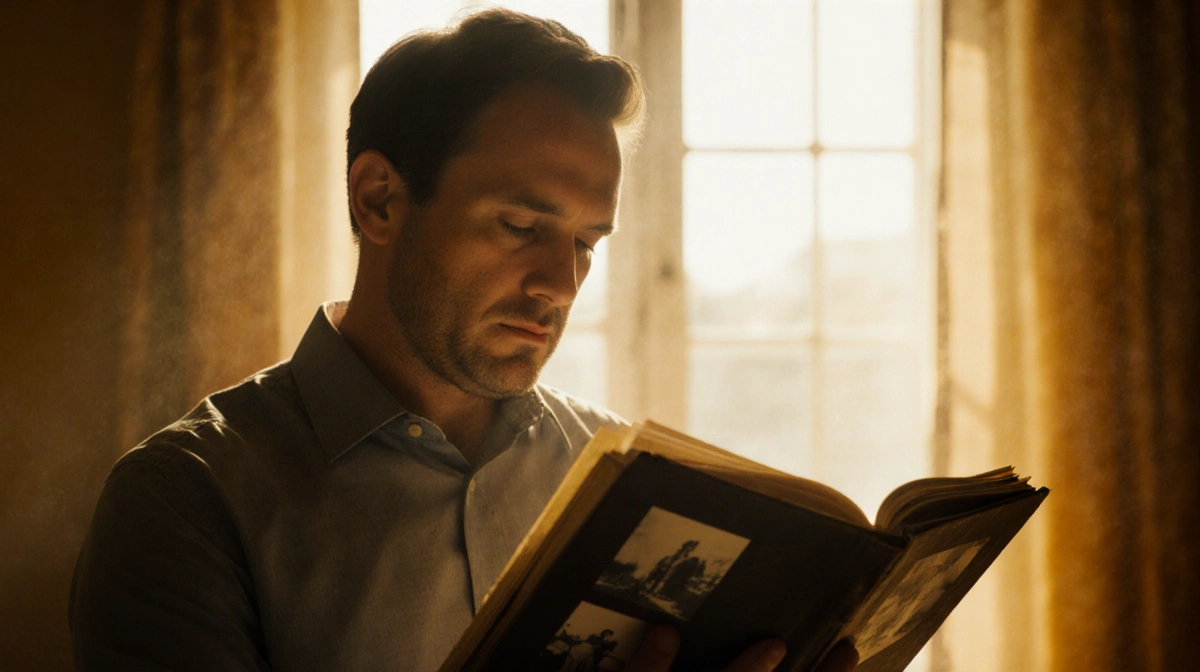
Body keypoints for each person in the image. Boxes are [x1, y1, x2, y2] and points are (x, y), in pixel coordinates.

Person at [69, 8, 857, 672]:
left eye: (587, 243)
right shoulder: (185, 502)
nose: (561, 284)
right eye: (521, 225)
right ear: (379, 200)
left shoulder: (621, 480)